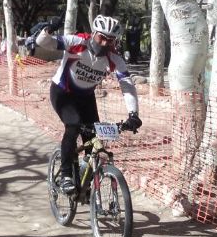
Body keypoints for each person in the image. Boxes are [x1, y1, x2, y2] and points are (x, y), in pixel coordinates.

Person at [35, 15, 142, 194]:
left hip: (86, 97)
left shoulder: (114, 58)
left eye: (110, 40)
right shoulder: (77, 42)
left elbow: (127, 85)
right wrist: (49, 29)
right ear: (93, 33)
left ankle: (84, 180)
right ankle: (66, 175)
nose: (105, 43)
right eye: (102, 37)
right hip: (63, 93)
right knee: (73, 126)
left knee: (93, 138)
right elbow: (43, 42)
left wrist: (133, 114)